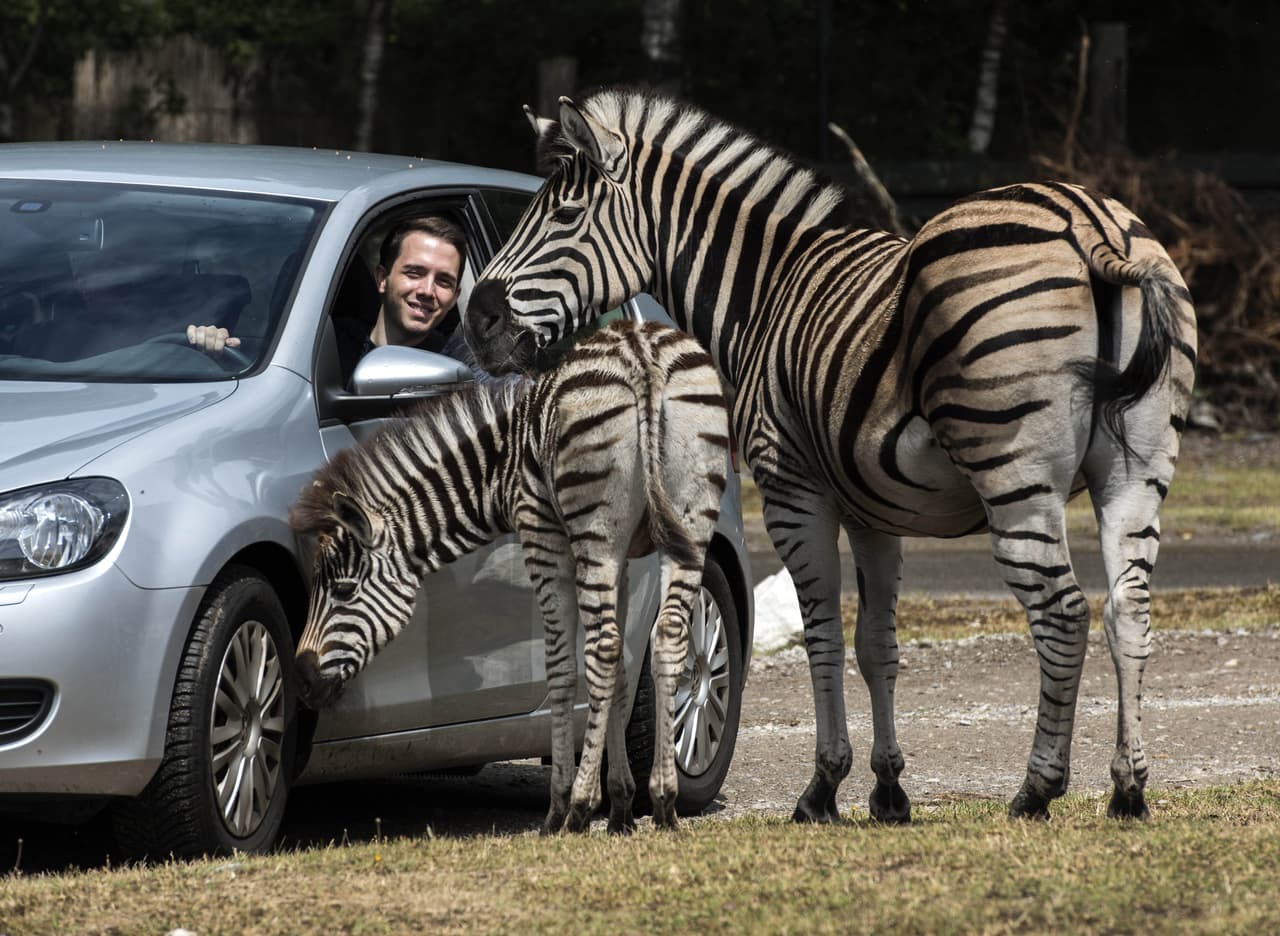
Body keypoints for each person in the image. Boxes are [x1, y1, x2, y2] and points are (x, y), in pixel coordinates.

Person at [186, 215, 469, 379]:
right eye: (414, 272)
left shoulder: (455, 370)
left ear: (456, 296)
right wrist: (214, 352)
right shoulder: (319, 347)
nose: (427, 291)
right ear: (382, 279)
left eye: (443, 281)